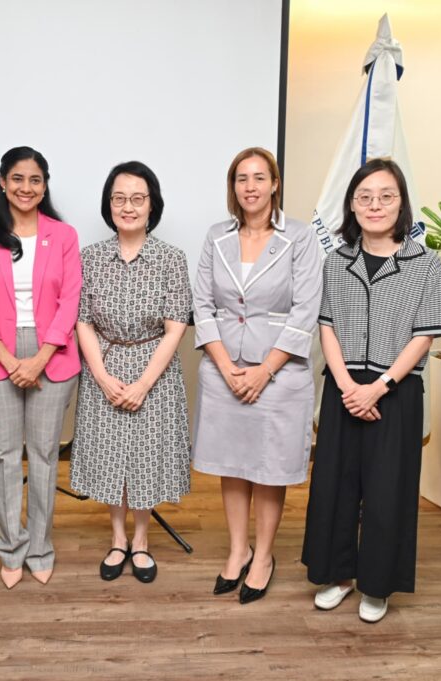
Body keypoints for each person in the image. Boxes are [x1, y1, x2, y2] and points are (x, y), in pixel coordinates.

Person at [302, 158, 441, 623]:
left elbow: (424, 336)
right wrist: (347, 385)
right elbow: (325, 325)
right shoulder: (336, 260)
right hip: (343, 386)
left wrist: (379, 387)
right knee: (336, 485)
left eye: (386, 195)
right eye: (364, 196)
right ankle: (339, 575)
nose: (375, 205)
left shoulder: (425, 265)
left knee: (389, 491)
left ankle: (377, 584)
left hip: (397, 390)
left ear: (402, 203)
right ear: (351, 204)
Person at [192, 147, 322, 604]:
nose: (250, 186)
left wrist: (264, 371)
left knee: (268, 468)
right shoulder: (216, 236)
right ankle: (237, 550)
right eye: (241, 178)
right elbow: (203, 304)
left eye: (259, 177)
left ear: (275, 184)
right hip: (223, 369)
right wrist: (227, 366)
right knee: (232, 464)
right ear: (234, 187)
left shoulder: (301, 238)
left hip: (280, 374)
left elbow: (306, 310)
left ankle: (263, 556)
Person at [0, 146, 81, 589]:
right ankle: (11, 548)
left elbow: (70, 300)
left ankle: (41, 548)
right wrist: (11, 360)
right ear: (2, 181)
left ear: (44, 185)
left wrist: (41, 357)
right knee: (5, 456)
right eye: (17, 178)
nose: (25, 188)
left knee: (46, 456)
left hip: (53, 354)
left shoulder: (63, 235)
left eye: (34, 179)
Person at [71, 161, 192, 583]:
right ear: (109, 205)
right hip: (103, 364)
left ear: (152, 204)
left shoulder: (171, 258)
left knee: (145, 457)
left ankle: (141, 539)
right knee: (109, 457)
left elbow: (176, 326)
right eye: (119, 198)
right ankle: (117, 537)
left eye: (137, 199)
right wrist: (102, 376)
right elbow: (82, 319)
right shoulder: (90, 257)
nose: (128, 206)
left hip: (153, 369)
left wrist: (143, 383)